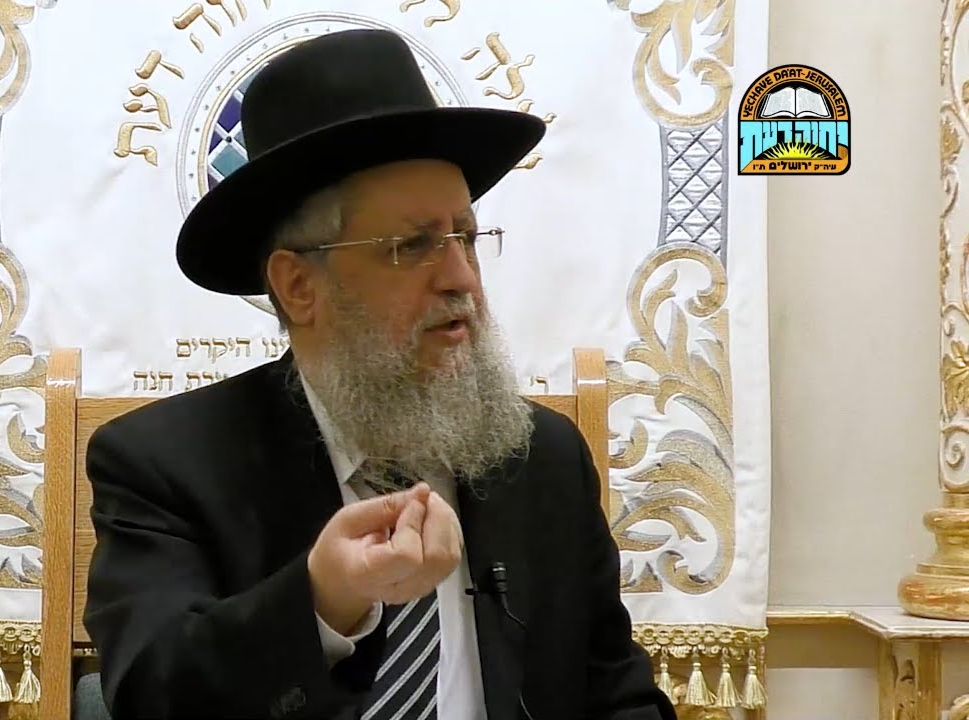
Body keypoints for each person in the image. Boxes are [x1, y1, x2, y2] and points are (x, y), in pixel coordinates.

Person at [83, 28, 675, 720]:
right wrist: (321, 602)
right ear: (299, 286)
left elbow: (617, 698)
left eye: (465, 238)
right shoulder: (165, 466)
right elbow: (154, 697)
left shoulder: (541, 459)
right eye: (413, 245)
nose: (460, 278)